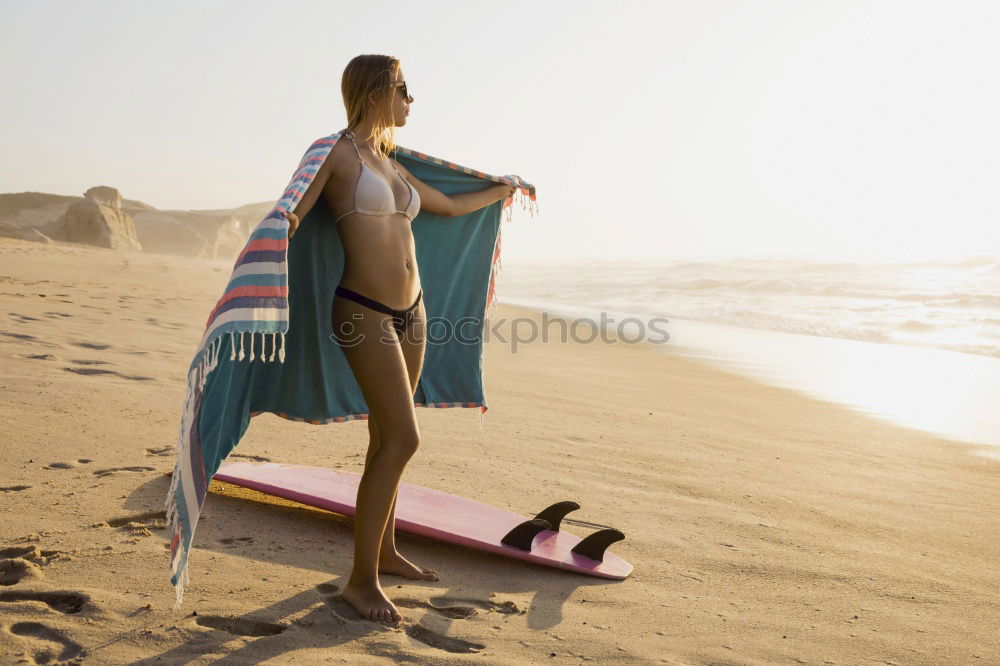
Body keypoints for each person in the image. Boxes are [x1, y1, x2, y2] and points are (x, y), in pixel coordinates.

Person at [279, 54, 516, 624]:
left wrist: (503, 189)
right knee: (402, 440)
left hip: (413, 311)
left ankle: (383, 551)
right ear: (377, 91)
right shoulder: (334, 154)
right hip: (362, 311)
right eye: (404, 89)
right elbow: (293, 212)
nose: (412, 100)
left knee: (386, 433)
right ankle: (358, 583)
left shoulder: (390, 164)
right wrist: (266, 239)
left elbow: (452, 205)